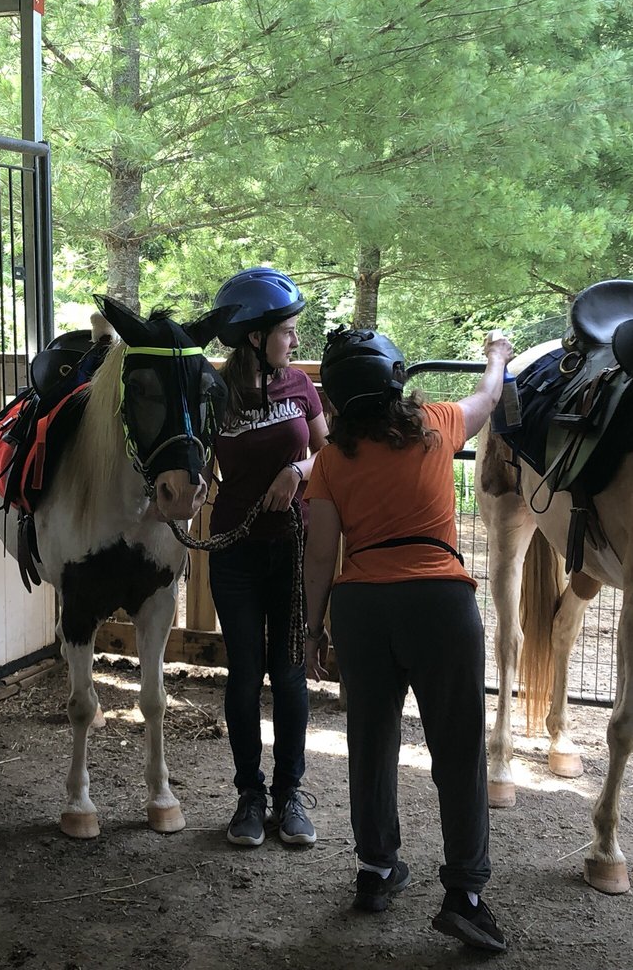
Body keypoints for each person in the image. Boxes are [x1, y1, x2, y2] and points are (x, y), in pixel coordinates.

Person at [303, 326, 513, 952]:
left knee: (370, 743)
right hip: (440, 602)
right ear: (396, 376)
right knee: (458, 749)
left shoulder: (331, 460)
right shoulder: (436, 425)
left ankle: (375, 871)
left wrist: (313, 627)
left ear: (335, 397)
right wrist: (497, 357)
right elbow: (489, 398)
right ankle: (466, 895)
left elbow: (319, 555)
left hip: (361, 604)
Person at [209, 266, 329, 848]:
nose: (295, 340)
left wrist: (296, 468)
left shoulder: (300, 386)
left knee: (288, 676)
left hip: (292, 550)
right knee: (243, 676)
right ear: (255, 336)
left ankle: (290, 795)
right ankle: (249, 797)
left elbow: (327, 455)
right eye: (287, 330)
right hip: (233, 551)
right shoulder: (215, 395)